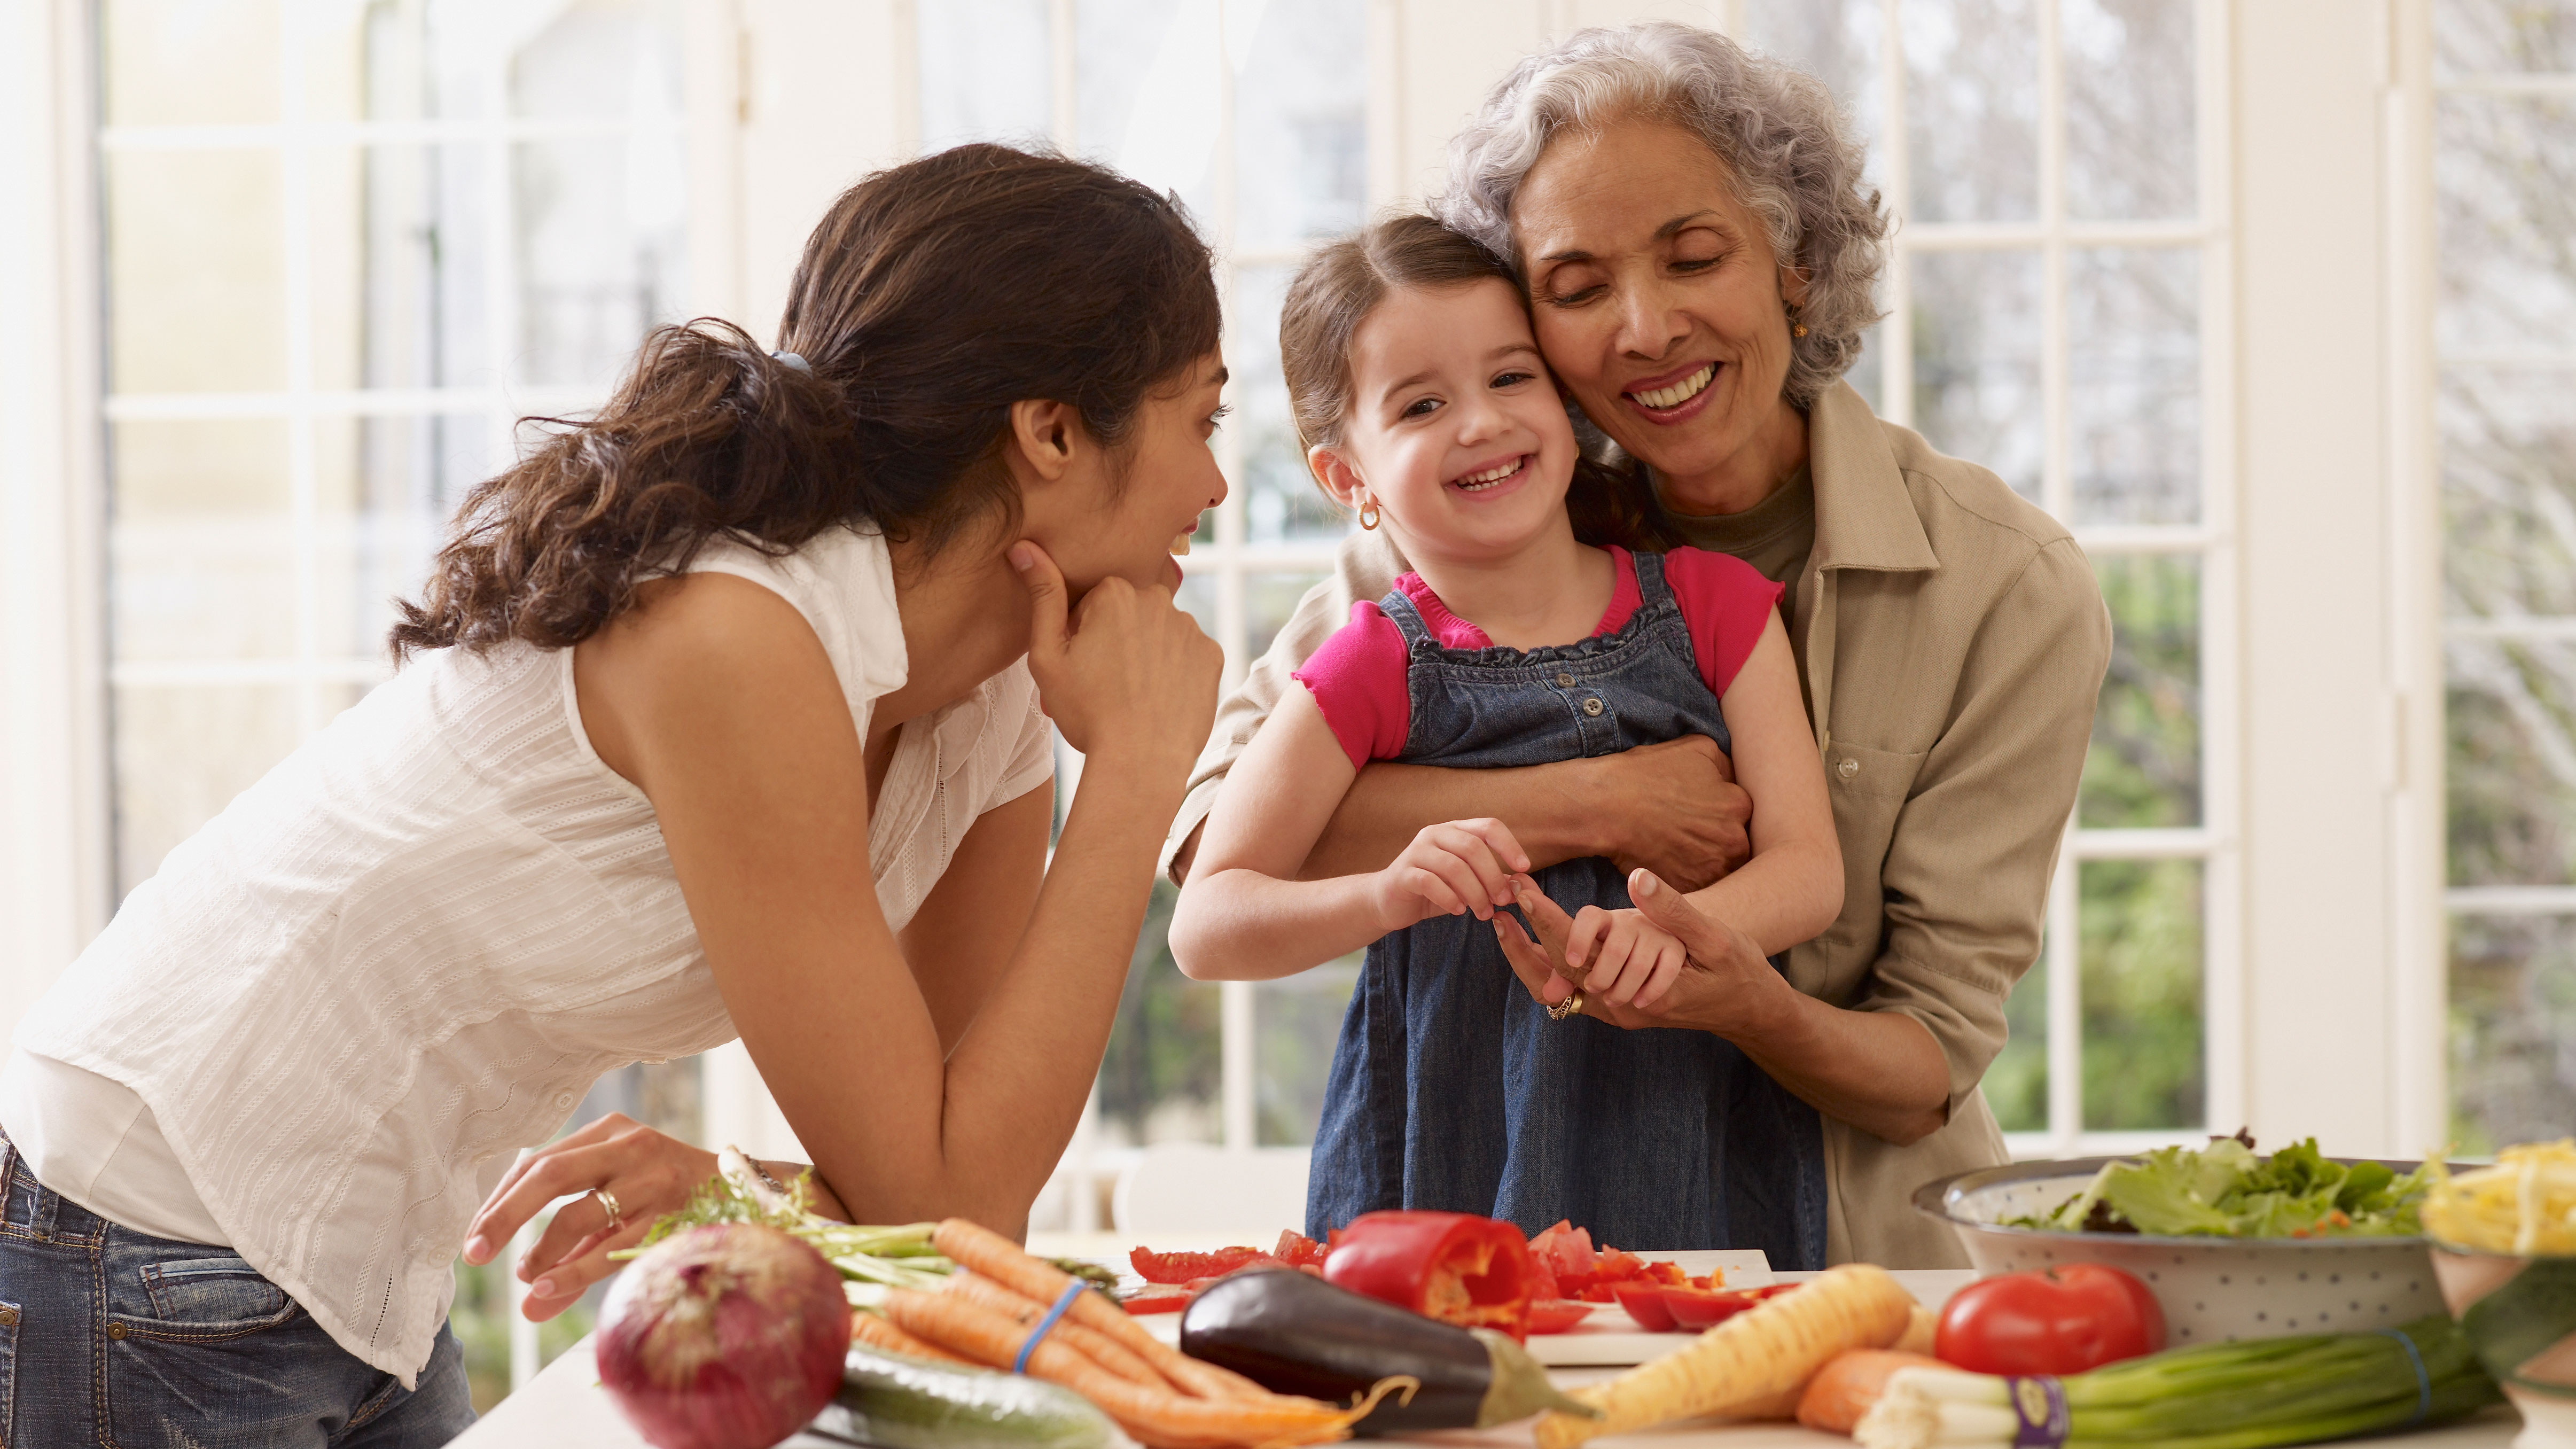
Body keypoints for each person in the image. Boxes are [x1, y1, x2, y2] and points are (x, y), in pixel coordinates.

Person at [0, 144, 1225, 1445]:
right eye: (1200, 420)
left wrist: (736, 1189)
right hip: (149, 1229)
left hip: (347, 1263)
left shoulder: (985, 701)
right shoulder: (738, 635)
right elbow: (947, 1196)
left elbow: (942, 1206)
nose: (1211, 486)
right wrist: (1137, 779)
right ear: (1047, 431)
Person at [1163, 23, 2112, 1268]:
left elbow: (1918, 1059)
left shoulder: (2007, 588)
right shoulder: (1450, 532)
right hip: (1454, 1183)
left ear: (1793, 260)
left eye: (1695, 256)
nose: (1645, 326)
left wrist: (1743, 997)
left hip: (1834, 1247)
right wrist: (1592, 803)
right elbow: (1217, 852)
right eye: (1573, 288)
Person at [1168, 215, 1843, 1259]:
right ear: (1346, 478)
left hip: (1695, 1135)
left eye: (1511, 378)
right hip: (1439, 1161)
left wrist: (1676, 933)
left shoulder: (1719, 606)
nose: (1480, 424)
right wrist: (1389, 891)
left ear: (1565, 404)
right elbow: (1207, 922)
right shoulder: (1365, 661)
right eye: (1422, 405)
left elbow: (1807, 873)